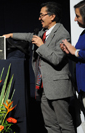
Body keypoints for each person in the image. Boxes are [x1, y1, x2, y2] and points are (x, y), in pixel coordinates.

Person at [3, 2, 75, 133]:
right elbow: (29, 36)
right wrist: (11, 35)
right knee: (50, 125)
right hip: (43, 87)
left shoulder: (62, 34)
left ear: (52, 16)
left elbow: (57, 59)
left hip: (58, 87)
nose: (39, 18)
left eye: (42, 15)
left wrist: (41, 46)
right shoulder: (43, 32)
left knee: (65, 125)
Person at [60, 0, 85, 132]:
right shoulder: (83, 33)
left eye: (78, 16)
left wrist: (75, 51)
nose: (75, 19)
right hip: (82, 88)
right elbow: (80, 57)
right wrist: (69, 53)